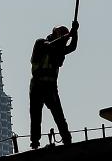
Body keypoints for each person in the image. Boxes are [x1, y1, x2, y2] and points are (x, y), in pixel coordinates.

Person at [29, 21, 78, 149]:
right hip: (37, 87)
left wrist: (75, 33)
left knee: (59, 115)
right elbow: (48, 46)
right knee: (36, 116)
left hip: (50, 88)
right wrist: (67, 36)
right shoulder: (41, 43)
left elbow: (72, 47)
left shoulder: (59, 50)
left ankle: (67, 140)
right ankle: (35, 143)